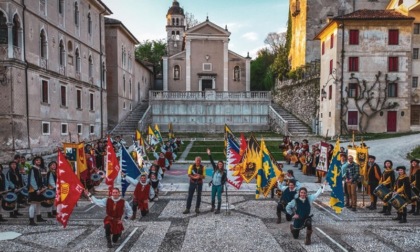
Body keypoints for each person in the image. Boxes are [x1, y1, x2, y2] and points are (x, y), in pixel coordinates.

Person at [28, 156, 47, 226]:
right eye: (37, 160)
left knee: (38, 203)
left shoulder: (39, 169)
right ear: (34, 161)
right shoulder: (32, 169)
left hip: (39, 188)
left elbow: (40, 179)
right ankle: (31, 220)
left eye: (39, 160)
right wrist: (36, 189)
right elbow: (32, 180)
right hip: (33, 189)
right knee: (33, 204)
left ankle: (39, 217)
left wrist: (42, 186)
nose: (38, 161)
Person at [207, 148, 227, 214]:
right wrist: (209, 154)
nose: (220, 165)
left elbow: (225, 179)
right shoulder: (215, 169)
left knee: (219, 197)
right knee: (212, 197)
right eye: (219, 164)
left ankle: (218, 209)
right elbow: (212, 162)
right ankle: (213, 206)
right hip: (214, 185)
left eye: (221, 164)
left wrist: (222, 184)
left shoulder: (224, 172)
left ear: (222, 165)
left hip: (219, 186)